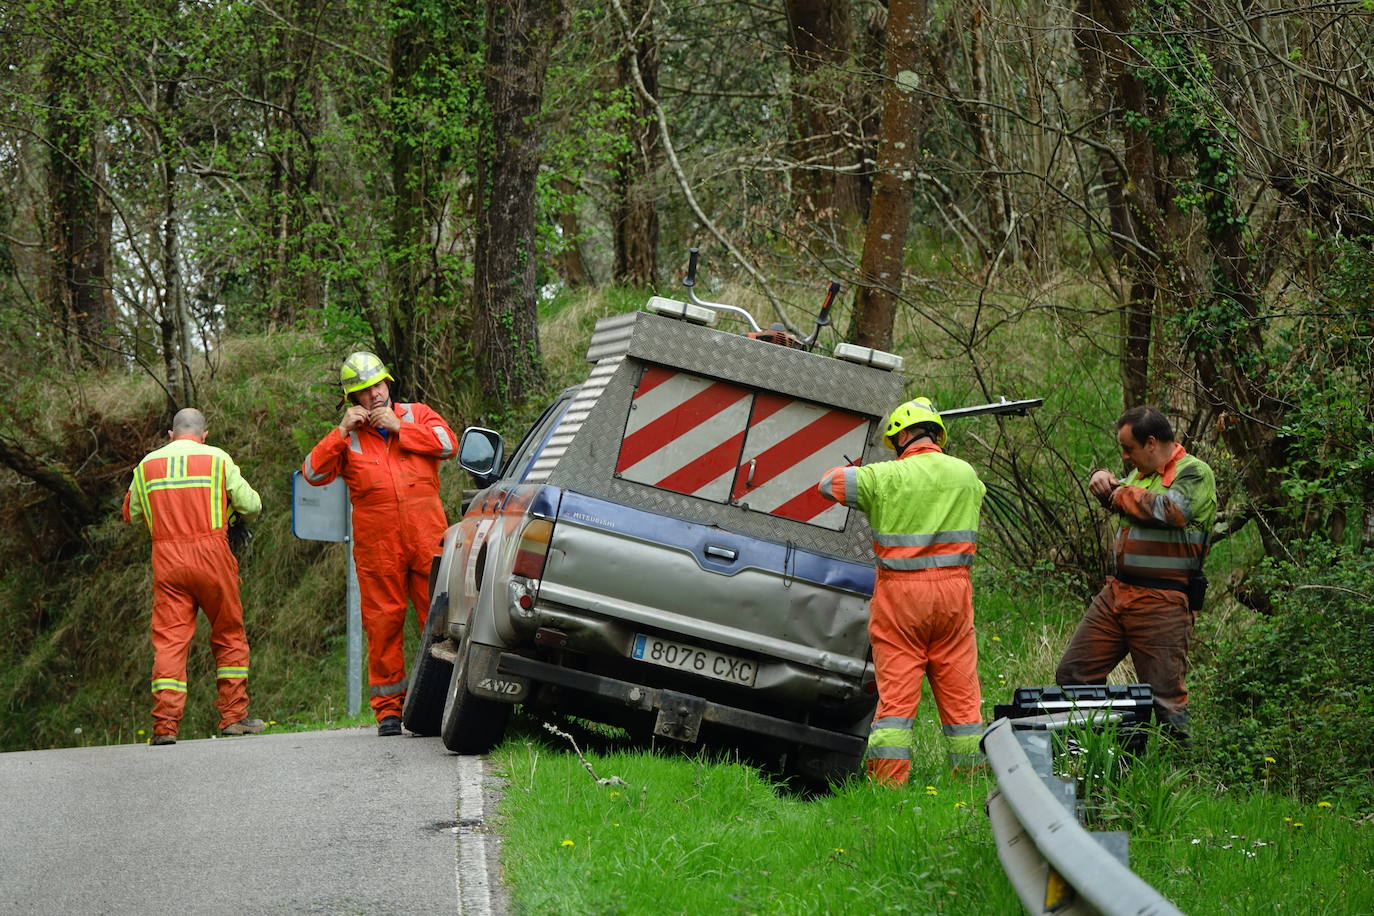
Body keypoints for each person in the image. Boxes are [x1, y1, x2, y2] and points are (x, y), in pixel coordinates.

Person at [818, 397, 987, 784]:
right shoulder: (965, 474)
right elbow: (976, 493)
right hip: (953, 596)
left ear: (903, 436)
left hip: (901, 597)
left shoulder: (885, 478)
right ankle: (972, 782)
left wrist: (870, 469)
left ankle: (888, 786)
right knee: (963, 701)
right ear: (938, 435)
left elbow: (828, 484)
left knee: (896, 704)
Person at [301, 351, 456, 736]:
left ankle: (440, 701)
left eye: (377, 386)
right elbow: (312, 474)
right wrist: (339, 433)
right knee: (383, 625)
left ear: (389, 383)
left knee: (438, 623)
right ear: (352, 400)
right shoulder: (348, 438)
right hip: (378, 549)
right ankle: (389, 710)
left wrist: (402, 430)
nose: (374, 396)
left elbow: (448, 443)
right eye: (363, 392)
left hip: (427, 540)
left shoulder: (418, 414)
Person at [1055, 406, 1216, 737]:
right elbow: (1127, 499)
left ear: (1152, 443)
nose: (1125, 457)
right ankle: (1099, 752)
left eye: (1129, 449)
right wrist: (1103, 480)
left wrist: (1117, 492)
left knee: (1164, 699)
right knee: (1074, 674)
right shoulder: (1141, 475)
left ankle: (1176, 772)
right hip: (1117, 593)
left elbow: (1169, 510)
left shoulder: (1194, 473)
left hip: (1162, 599)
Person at [123, 408, 264, 745]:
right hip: (212, 554)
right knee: (229, 634)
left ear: (171, 435)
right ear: (204, 434)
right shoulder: (217, 459)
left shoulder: (147, 466)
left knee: (170, 643)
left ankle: (165, 727)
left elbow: (131, 513)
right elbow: (252, 505)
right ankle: (233, 717)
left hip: (168, 558)